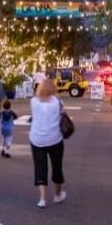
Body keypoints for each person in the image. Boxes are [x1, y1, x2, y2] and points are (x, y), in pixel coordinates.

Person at [29, 79, 66, 209]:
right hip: (54, 138)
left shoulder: (33, 102)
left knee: (40, 167)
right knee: (57, 166)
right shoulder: (58, 102)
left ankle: (42, 198)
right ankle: (57, 194)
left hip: (37, 138)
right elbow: (63, 115)